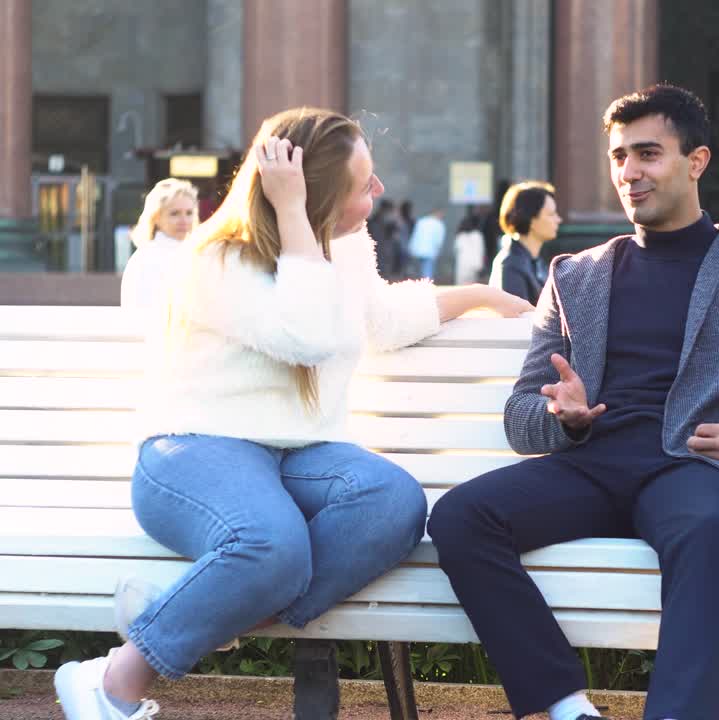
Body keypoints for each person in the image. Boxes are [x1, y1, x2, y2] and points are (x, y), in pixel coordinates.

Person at [53, 107, 534, 720]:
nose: (379, 192)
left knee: (393, 502)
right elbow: (307, 334)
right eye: (364, 183)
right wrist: (292, 218)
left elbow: (377, 321)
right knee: (272, 548)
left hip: (298, 455)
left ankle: (191, 613)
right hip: (196, 450)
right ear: (315, 195)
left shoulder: (342, 247)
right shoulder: (217, 259)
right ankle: (111, 683)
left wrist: (483, 297)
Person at [428, 84, 719, 720]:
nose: (629, 173)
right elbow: (520, 418)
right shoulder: (574, 275)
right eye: (618, 157)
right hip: (591, 466)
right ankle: (566, 707)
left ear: (696, 162)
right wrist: (565, 419)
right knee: (460, 518)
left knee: (705, 531)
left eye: (648, 154)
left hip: (693, 472)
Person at [119, 179, 199, 309]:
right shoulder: (148, 258)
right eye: (175, 213)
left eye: (189, 213)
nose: (184, 220)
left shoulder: (195, 253)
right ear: (156, 217)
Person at [488, 180, 560, 304]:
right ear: (531, 219)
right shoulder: (511, 265)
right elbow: (517, 319)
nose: (558, 219)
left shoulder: (535, 262)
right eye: (551, 214)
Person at [408, 207, 446, 280]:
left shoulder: (421, 221)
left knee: (417, 271)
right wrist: (438, 251)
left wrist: (411, 248)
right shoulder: (439, 224)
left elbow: (415, 235)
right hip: (430, 251)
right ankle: (426, 286)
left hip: (417, 250)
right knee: (427, 271)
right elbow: (439, 241)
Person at [453, 206, 487, 285]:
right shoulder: (477, 235)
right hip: (475, 262)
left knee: (461, 284)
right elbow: (481, 250)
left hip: (463, 262)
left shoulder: (460, 236)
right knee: (472, 285)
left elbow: (456, 249)